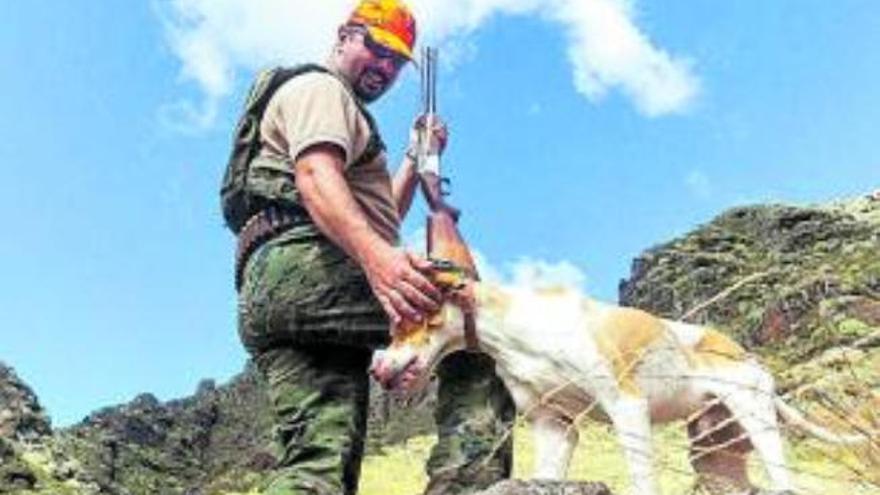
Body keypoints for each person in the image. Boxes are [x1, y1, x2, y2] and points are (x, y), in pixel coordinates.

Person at [231, 1, 514, 493]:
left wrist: (415, 157)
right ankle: (467, 484)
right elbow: (316, 177)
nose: (384, 67)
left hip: (275, 289)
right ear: (344, 36)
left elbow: (377, 218)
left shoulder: (341, 113)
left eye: (396, 61)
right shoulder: (320, 88)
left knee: (319, 460)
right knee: (479, 322)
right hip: (311, 264)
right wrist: (381, 262)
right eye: (376, 48)